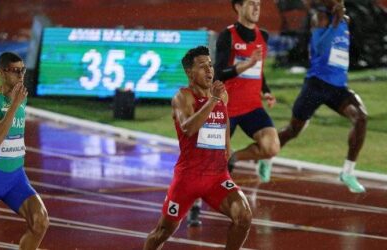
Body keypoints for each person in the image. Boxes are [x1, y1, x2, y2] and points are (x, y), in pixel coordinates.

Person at [144, 46, 252, 250]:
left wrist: (227, 148)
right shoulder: (182, 97)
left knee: (244, 216)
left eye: (210, 65)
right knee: (161, 233)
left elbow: (224, 119)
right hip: (188, 179)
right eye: (203, 66)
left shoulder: (222, 95)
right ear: (189, 72)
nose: (209, 70)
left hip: (217, 177)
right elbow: (188, 128)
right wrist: (213, 100)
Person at [187, 0, 280, 227]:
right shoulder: (227, 36)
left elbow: (259, 71)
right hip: (225, 107)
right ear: (238, 7)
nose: (256, 7)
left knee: (271, 147)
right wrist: (246, 64)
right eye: (251, 3)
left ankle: (236, 157)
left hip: (252, 107)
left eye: (258, 3)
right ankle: (195, 207)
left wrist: (266, 91)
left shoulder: (263, 36)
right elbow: (219, 72)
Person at [278, 0, 368, 193]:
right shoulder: (320, 17)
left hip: (338, 88)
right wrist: (335, 24)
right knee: (293, 130)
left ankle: (348, 172)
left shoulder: (346, 20)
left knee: (361, 118)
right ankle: (266, 155)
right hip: (316, 86)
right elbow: (319, 47)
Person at [0, 52, 49, 249]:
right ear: (1, 73)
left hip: (15, 177)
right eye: (15, 71)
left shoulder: (22, 97)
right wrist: (13, 105)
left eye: (22, 70)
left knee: (40, 222)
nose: (21, 75)